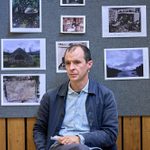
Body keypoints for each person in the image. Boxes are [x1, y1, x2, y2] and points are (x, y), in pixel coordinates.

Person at [33, 44, 118, 150]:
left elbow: (110, 134)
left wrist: (79, 138)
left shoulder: (105, 95)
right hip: (60, 147)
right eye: (67, 63)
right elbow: (39, 130)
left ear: (89, 64)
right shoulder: (50, 97)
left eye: (77, 62)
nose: (71, 68)